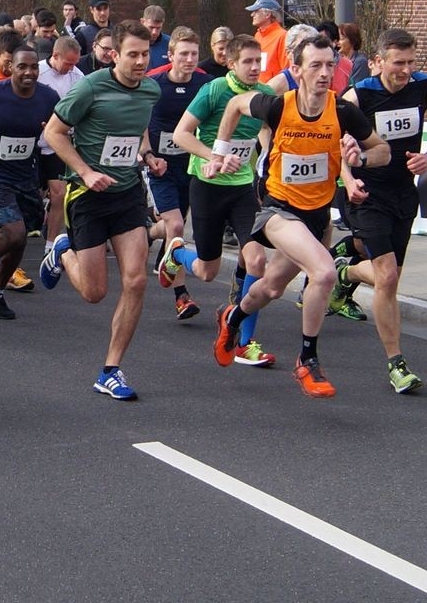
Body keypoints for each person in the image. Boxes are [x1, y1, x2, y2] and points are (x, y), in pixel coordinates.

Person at [206, 34, 389, 397]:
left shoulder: (342, 111)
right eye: (315, 66)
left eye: (330, 66)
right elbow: (234, 107)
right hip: (277, 210)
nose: (325, 73)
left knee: (273, 287)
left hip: (316, 215)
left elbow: (382, 150)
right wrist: (217, 153)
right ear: (296, 70)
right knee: (322, 273)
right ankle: (307, 359)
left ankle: (233, 317)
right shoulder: (276, 106)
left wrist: (360, 158)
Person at [38, 21, 167, 400]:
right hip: (88, 195)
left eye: (145, 54)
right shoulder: (91, 87)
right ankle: (63, 251)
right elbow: (53, 133)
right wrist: (85, 171)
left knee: (137, 280)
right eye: (133, 54)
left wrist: (147, 155)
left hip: (126, 192)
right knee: (95, 293)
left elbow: (139, 129)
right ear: (114, 54)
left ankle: (111, 369)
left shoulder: (150, 90)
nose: (141, 61)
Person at [326, 28, 427, 394]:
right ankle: (396, 363)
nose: (406, 70)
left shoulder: (424, 86)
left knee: (385, 269)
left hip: (403, 192)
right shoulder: (358, 95)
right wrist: (347, 180)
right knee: (389, 277)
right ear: (378, 62)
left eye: (412, 63)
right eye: (399, 63)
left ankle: (345, 273)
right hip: (367, 192)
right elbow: (334, 143)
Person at [168, 34, 274, 367]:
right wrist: (213, 155)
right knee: (207, 271)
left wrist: (267, 154)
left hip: (243, 188)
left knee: (256, 259)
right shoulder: (214, 90)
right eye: (248, 62)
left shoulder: (267, 94)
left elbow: (266, 128)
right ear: (231, 63)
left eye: (259, 61)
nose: (256, 67)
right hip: (207, 184)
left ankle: (244, 341)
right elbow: (181, 134)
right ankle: (177, 254)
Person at [0, 44, 60, 319]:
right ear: (12, 68)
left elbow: (61, 128)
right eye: (22, 67)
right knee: (15, 231)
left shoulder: (48, 97)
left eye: (33, 67)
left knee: (19, 240)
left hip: (26, 175)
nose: (28, 72)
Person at [147, 27, 211, 319]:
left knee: (174, 224)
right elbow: (139, 124)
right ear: (170, 55)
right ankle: (182, 296)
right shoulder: (153, 84)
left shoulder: (206, 84)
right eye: (183, 54)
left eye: (193, 54)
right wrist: (147, 155)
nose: (188, 59)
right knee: (176, 227)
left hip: (192, 164)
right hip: (162, 165)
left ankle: (148, 232)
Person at [36, 36, 84, 252]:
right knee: (33, 198)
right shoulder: (35, 71)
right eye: (68, 63)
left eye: (75, 63)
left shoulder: (78, 76)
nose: (71, 68)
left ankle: (51, 245)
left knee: (59, 193)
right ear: (55, 56)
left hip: (56, 144)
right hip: (32, 144)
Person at [247, 0, 288, 83]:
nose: (252, 14)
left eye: (256, 11)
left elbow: (287, 71)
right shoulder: (257, 35)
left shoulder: (282, 36)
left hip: (274, 93)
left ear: (268, 14)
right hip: (258, 90)